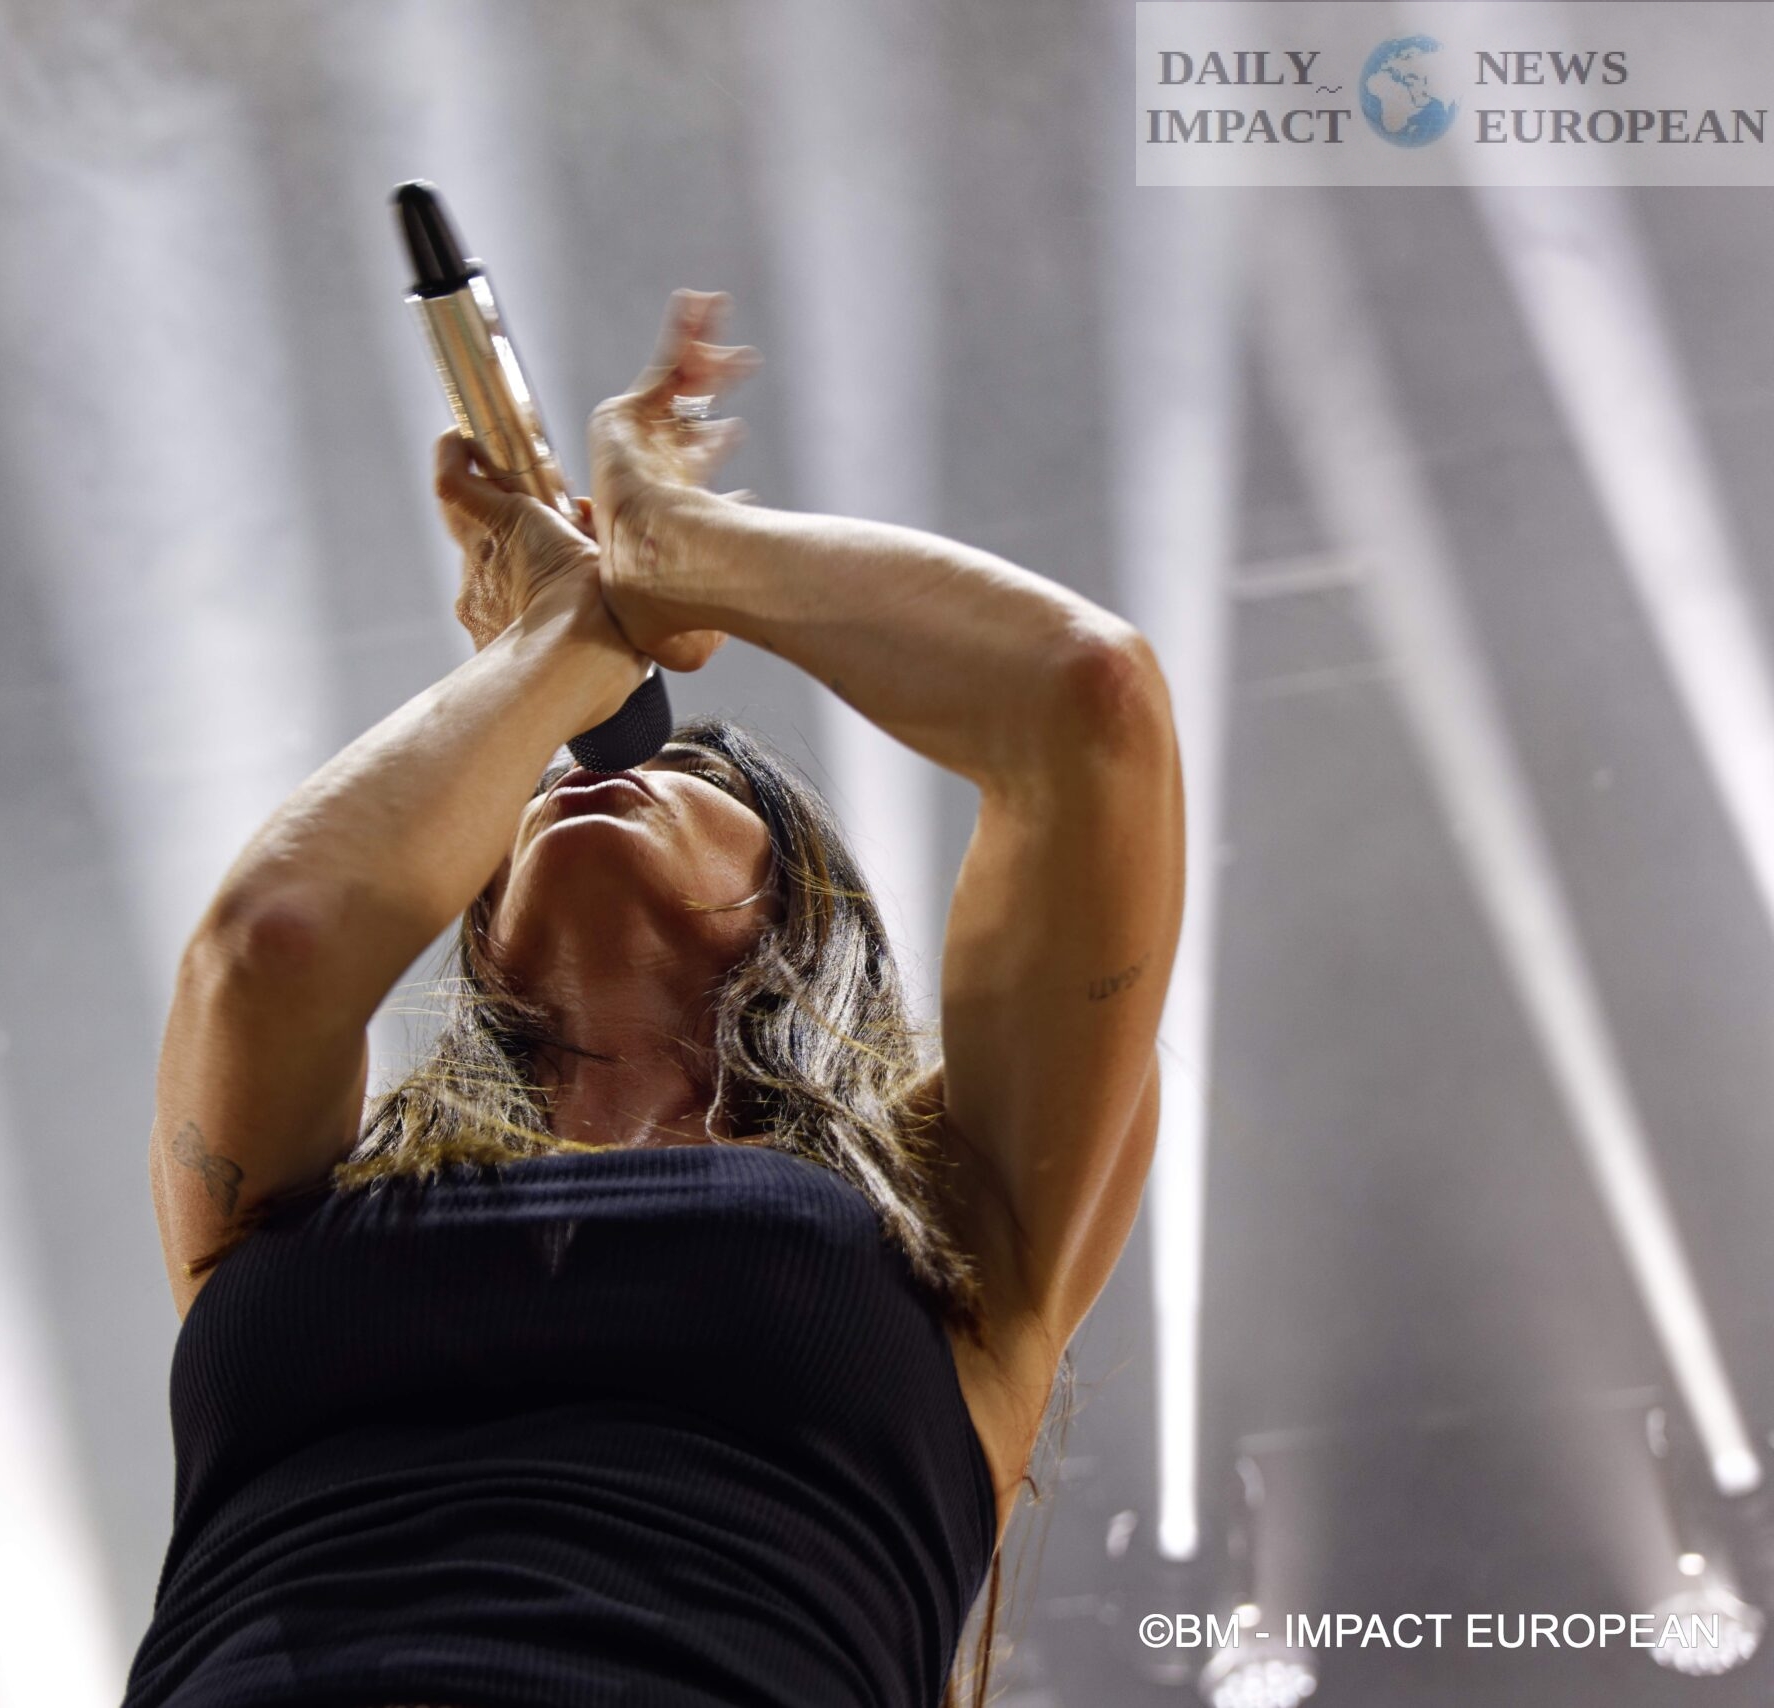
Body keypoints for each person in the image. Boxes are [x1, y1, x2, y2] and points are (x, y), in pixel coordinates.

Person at [128, 291, 1186, 1708]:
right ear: (478, 925)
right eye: (537, 774)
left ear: (798, 908)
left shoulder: (950, 1207)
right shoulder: (307, 1198)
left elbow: (1088, 705)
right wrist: (560, 640)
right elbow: (269, 947)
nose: (586, 769)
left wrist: (673, 552)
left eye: (691, 771)